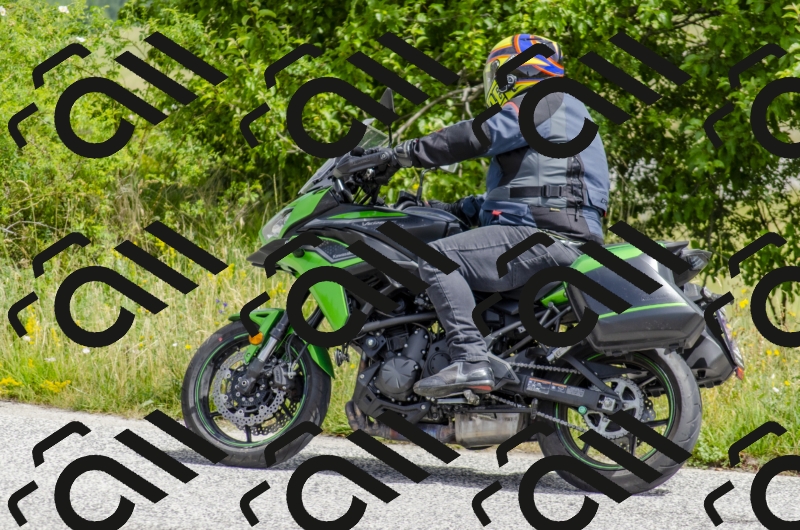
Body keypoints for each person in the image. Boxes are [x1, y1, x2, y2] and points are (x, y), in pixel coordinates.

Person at [379, 34, 611, 398]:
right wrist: (449, 209)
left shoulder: (542, 100)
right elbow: (518, 194)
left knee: (436, 258)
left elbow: (480, 134)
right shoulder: (561, 110)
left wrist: (407, 152)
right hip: (555, 232)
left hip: (543, 234)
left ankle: (470, 360)